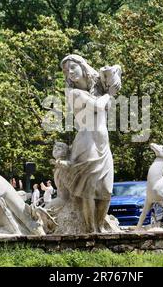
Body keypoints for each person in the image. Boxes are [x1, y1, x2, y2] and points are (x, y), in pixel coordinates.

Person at [59, 54, 120, 233]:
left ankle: (100, 226)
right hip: (87, 143)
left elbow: (115, 70)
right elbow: (98, 106)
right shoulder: (72, 93)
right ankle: (90, 229)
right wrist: (110, 94)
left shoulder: (96, 87)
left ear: (82, 66)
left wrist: (112, 75)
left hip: (103, 143)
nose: (69, 73)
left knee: (106, 190)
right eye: (65, 71)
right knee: (89, 190)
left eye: (72, 67)